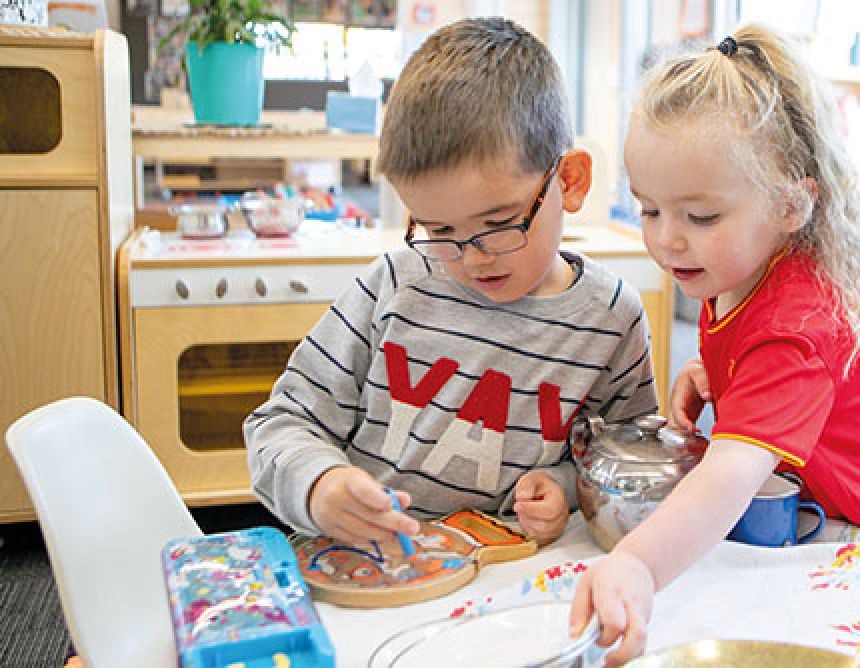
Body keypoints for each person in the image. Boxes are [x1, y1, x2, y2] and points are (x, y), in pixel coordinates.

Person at [568, 25, 860, 666]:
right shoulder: (736, 268)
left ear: (792, 205)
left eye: (701, 217)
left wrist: (635, 563)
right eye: (649, 209)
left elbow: (725, 481)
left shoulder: (795, 326)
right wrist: (719, 373)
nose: (667, 240)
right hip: (805, 533)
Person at [244, 17, 658, 550]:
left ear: (569, 181)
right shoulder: (394, 284)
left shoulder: (612, 319)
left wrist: (563, 487)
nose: (471, 258)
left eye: (498, 224)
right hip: (367, 569)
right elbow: (280, 422)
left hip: (502, 582)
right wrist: (319, 485)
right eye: (439, 230)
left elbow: (618, 460)